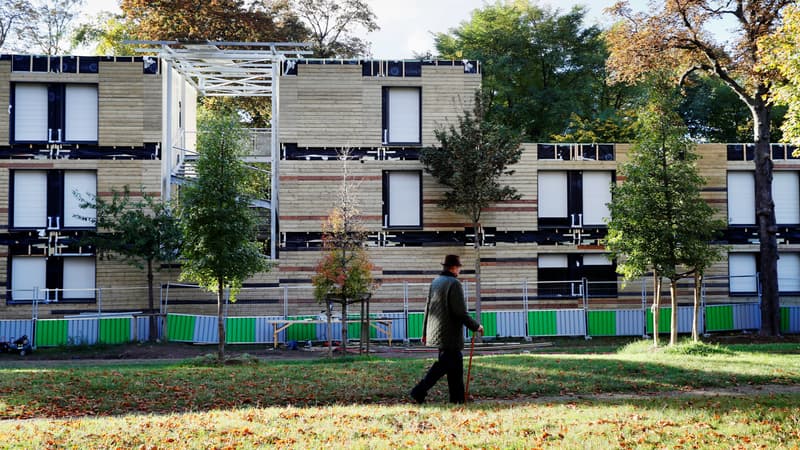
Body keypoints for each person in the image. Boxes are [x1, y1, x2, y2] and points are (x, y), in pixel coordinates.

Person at [410, 254, 483, 404]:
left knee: (454, 367)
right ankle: (419, 391)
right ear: (454, 268)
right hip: (449, 335)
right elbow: (460, 312)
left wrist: (424, 332)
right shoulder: (454, 284)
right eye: (459, 268)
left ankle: (457, 399)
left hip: (436, 333)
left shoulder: (435, 282)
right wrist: (476, 326)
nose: (459, 271)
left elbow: (427, 309)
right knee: (444, 366)